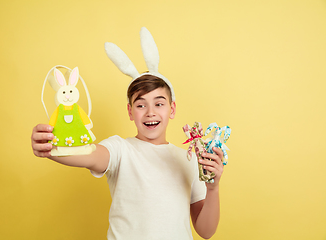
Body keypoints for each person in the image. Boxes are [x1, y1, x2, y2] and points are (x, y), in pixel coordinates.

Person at [31, 73, 225, 240]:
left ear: (172, 109)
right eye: (141, 105)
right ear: (130, 111)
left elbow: (206, 231)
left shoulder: (190, 159)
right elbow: (89, 154)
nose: (150, 112)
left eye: (159, 103)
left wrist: (213, 188)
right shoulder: (120, 149)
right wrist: (50, 147)